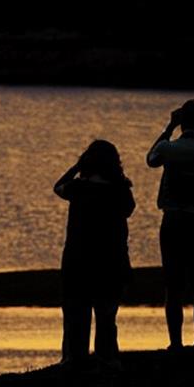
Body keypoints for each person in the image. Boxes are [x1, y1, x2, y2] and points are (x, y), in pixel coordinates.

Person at [146, 99, 194, 352]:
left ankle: (176, 343)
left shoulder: (169, 149)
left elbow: (151, 159)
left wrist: (170, 126)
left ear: (182, 119)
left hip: (175, 221)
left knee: (174, 285)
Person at [54, 140, 135, 371]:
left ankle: (74, 358)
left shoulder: (77, 188)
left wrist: (77, 167)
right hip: (111, 260)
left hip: (78, 260)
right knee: (107, 315)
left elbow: (58, 186)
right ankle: (107, 358)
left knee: (75, 314)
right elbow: (129, 210)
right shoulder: (120, 190)